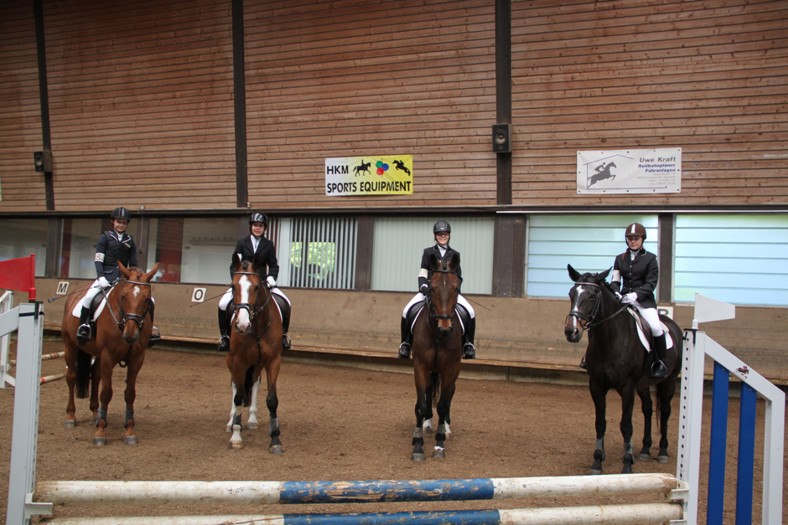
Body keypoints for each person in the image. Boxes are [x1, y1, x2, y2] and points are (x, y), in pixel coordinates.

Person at [580, 223, 667, 378]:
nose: (633, 241)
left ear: (642, 240)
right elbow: (615, 280)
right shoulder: (620, 259)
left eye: (636, 238)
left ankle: (660, 362)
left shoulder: (651, 259)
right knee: (598, 323)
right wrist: (616, 292)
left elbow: (651, 284)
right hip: (623, 300)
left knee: (655, 327)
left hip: (644, 302)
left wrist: (635, 295)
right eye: (630, 238)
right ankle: (589, 358)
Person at [76, 207, 160, 345]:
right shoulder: (105, 238)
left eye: (124, 223)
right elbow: (98, 260)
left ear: (126, 224)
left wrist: (136, 276)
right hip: (106, 276)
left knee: (150, 299)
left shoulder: (130, 241)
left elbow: (133, 264)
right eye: (118, 222)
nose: (121, 225)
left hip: (124, 278)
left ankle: (149, 328)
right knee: (90, 296)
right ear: (113, 222)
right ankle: (83, 325)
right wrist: (101, 277)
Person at [397, 220, 476, 360]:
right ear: (435, 236)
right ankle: (406, 343)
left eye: (445, 234)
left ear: (449, 235)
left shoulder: (455, 254)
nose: (442, 236)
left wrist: (455, 289)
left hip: (449, 293)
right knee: (406, 310)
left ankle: (468, 344)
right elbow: (423, 272)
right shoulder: (428, 252)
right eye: (439, 234)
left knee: (470, 311)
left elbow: (458, 276)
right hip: (430, 290)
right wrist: (423, 286)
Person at [216, 212, 291, 352]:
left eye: (260, 226)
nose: (258, 228)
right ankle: (225, 337)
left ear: (264, 228)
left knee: (286, 302)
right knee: (223, 303)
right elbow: (234, 265)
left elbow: (274, 265)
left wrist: (271, 278)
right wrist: (236, 280)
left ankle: (283, 336)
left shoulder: (268, 245)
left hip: (262, 283)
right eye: (255, 225)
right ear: (251, 226)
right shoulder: (242, 243)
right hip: (243, 284)